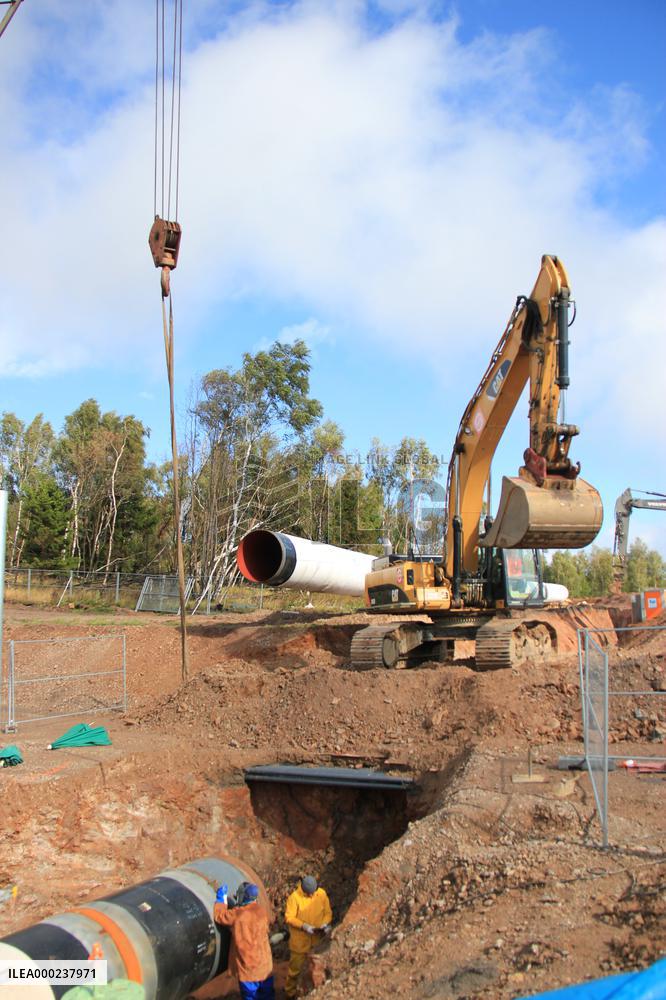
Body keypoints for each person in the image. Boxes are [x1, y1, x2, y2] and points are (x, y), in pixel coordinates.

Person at [214, 882, 275, 1000]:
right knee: (267, 996)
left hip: (248, 971)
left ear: (243, 896)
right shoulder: (262, 911)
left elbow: (219, 916)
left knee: (250, 997)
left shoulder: (238, 914)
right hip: (265, 967)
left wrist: (221, 900)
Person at [284, 875, 332, 999]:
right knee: (295, 971)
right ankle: (290, 994)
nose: (311, 895)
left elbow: (327, 913)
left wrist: (325, 924)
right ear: (304, 890)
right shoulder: (294, 898)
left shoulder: (321, 894)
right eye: (308, 894)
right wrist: (303, 926)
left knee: (315, 967)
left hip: (317, 939)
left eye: (313, 893)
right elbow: (289, 917)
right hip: (300, 942)